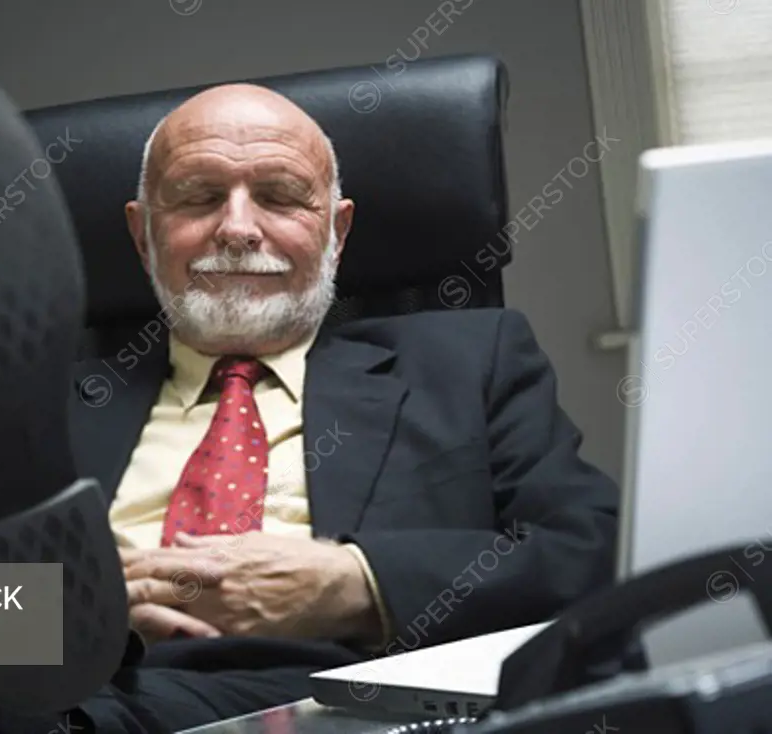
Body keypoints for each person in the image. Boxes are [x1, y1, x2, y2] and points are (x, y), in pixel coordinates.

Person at [67, 83, 621, 732]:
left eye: (279, 197)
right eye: (198, 196)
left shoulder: (469, 361)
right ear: (142, 234)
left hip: (353, 703)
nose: (238, 229)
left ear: (337, 232)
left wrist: (357, 583)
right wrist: (77, 609)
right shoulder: (32, 404)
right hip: (80, 701)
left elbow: (593, 552)